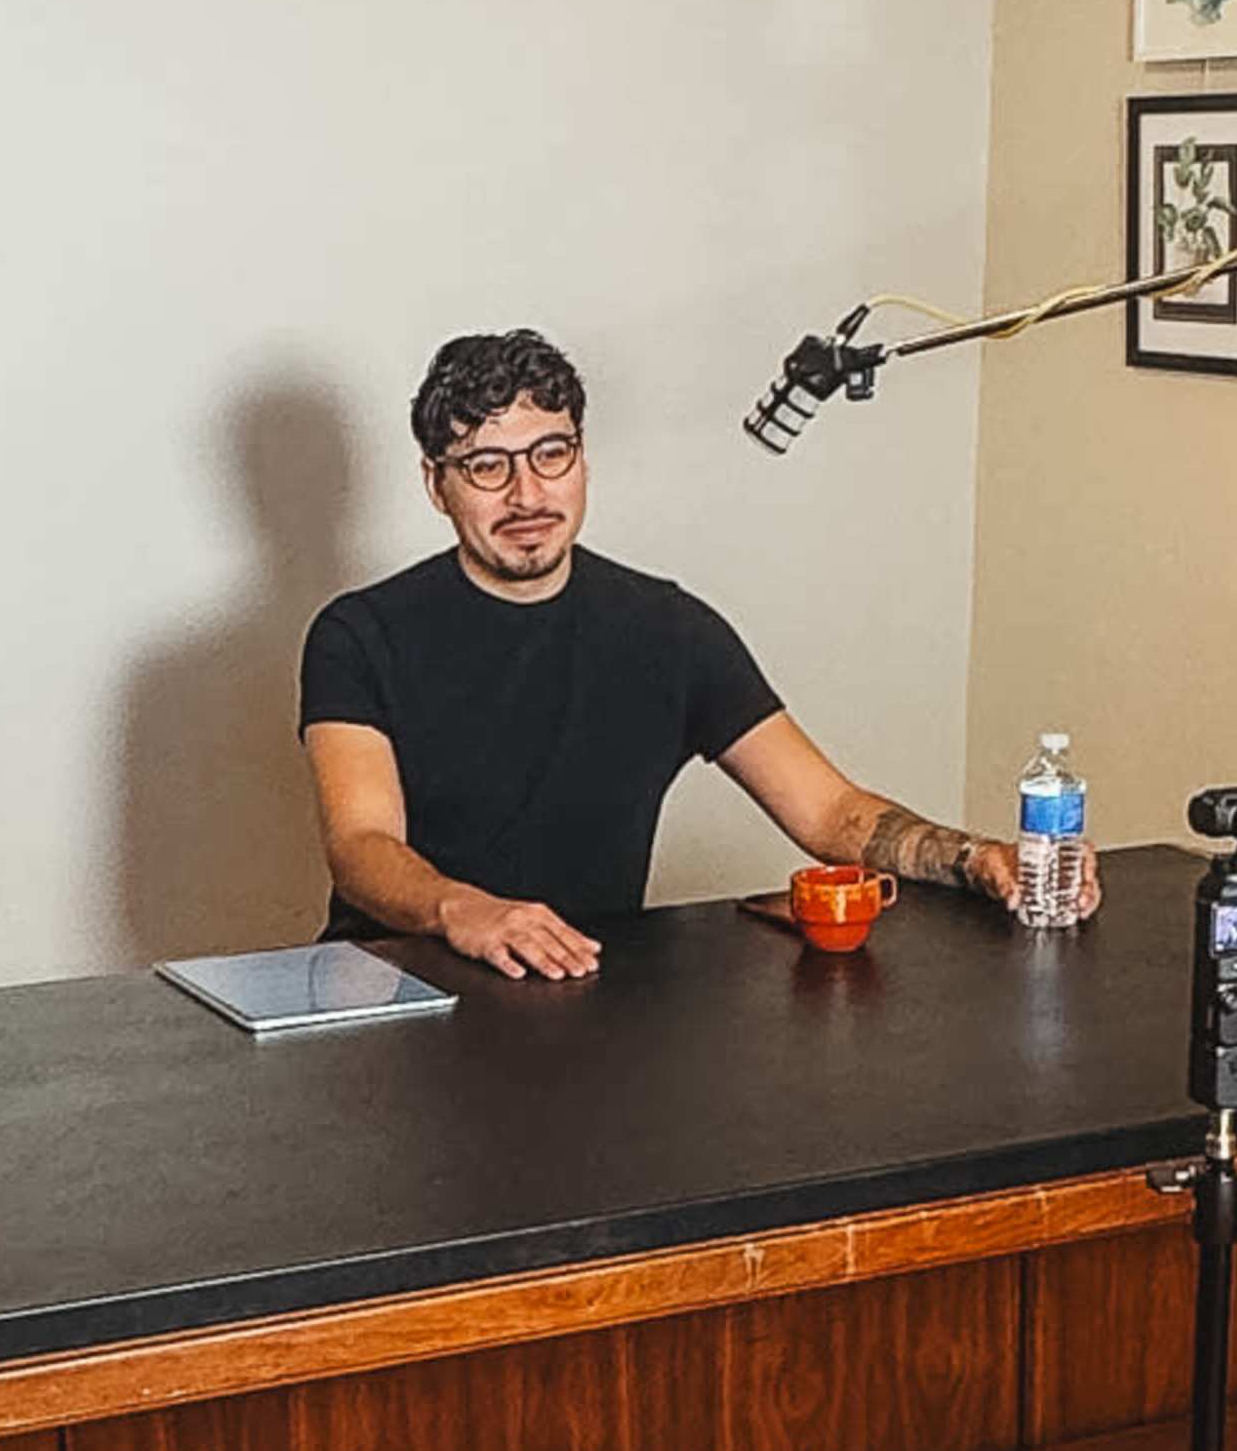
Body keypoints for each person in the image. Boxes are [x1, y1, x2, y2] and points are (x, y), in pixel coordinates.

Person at [298, 324, 1096, 979]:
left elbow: (830, 812)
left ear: (582, 460)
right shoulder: (359, 635)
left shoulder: (668, 630)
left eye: (551, 454)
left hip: (582, 991)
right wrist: (462, 910)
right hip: (397, 990)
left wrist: (978, 859)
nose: (527, 493)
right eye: (486, 466)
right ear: (437, 485)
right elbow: (362, 845)